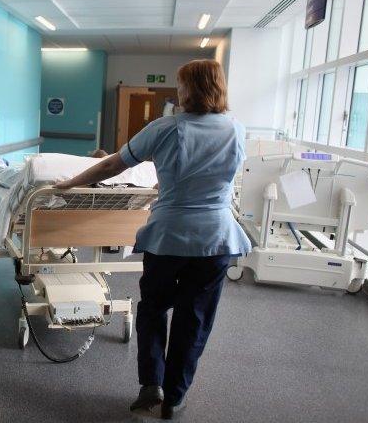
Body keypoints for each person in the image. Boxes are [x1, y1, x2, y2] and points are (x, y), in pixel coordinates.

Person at [55, 60, 250, 420]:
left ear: (190, 89)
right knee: (195, 317)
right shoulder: (236, 130)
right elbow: (218, 176)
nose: (178, 92)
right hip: (216, 239)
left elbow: (114, 165)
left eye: (180, 85)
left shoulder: (164, 128)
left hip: (169, 237)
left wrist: (70, 182)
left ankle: (151, 386)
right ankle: (175, 398)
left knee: (154, 307)